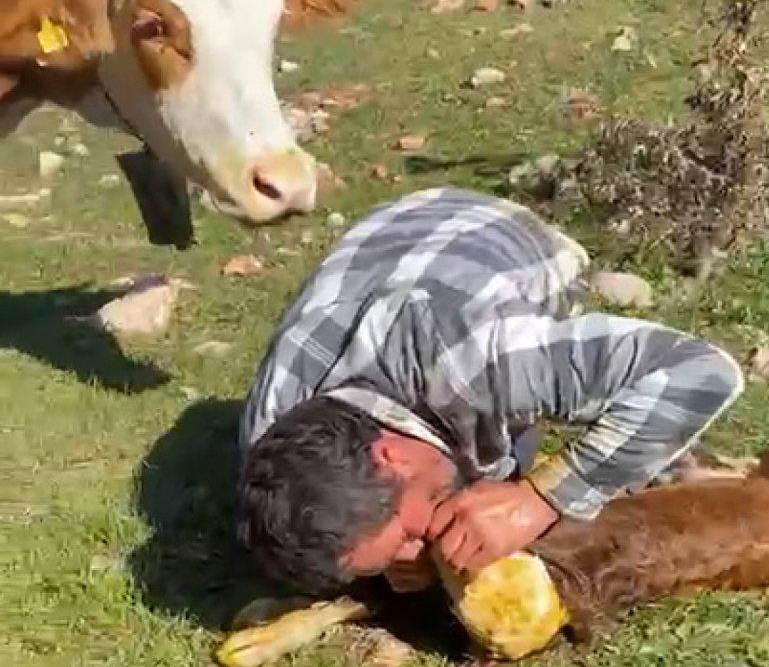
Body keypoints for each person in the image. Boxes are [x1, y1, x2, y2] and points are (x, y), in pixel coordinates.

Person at [237, 187, 743, 595]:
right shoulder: (268, 436)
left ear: (390, 455)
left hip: (482, 227)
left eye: (410, 537)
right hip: (383, 247)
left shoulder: (477, 363)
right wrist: (390, 560)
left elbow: (700, 371)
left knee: (507, 454)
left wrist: (538, 500)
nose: (419, 552)